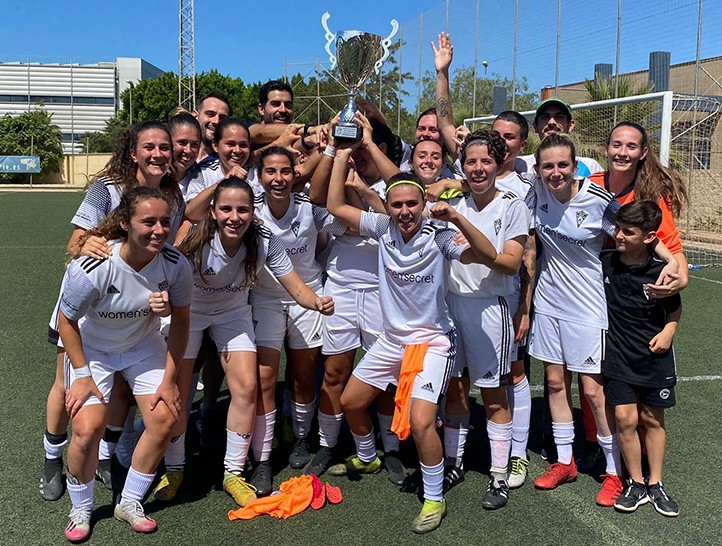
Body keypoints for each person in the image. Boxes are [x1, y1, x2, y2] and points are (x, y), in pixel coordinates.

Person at [327, 140, 510, 533]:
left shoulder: (438, 235)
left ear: (423, 205)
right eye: (397, 205)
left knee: (422, 421)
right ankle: (367, 456)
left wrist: (458, 221)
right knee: (351, 402)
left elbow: (486, 254)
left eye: (413, 204)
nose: (405, 211)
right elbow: (335, 208)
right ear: (387, 207)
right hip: (392, 339)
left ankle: (433, 499)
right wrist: (341, 152)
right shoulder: (381, 227)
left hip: (433, 343)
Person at [157, 176, 332, 506]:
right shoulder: (194, 242)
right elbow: (163, 277)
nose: (234, 217)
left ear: (254, 213)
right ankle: (176, 467)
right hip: (189, 314)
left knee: (248, 387)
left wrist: (317, 302)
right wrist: (160, 301)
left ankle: (233, 473)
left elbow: (294, 286)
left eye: (242, 210)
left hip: (232, 315)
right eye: (226, 209)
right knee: (178, 389)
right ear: (212, 212)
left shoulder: (263, 239)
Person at [527, 134, 677, 507]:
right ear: (539, 169)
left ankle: (614, 472)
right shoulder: (535, 193)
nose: (556, 172)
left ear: (575, 165)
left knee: (594, 391)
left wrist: (672, 259)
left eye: (563, 165)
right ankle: (565, 462)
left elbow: (632, 229)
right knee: (555, 382)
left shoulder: (598, 201)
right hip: (548, 302)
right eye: (548, 166)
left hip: (587, 305)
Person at [41, 121, 182, 501]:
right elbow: (75, 241)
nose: (158, 154)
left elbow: (166, 249)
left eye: (164, 148)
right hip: (87, 301)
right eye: (149, 147)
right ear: (133, 152)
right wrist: (87, 246)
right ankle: (52, 458)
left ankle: (103, 456)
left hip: (134, 307)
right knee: (64, 384)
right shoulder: (107, 187)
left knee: (122, 382)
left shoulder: (173, 193)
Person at [58, 187, 192, 542]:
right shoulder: (94, 266)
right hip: (94, 351)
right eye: (148, 222)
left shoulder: (176, 265)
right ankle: (81, 508)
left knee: (165, 417)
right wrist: (83, 375)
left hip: (141, 346)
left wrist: (169, 377)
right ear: (124, 224)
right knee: (88, 429)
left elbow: (181, 322)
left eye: (165, 222)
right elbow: (66, 321)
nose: (159, 230)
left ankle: (129, 501)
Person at [304, 113, 405, 484]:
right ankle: (330, 444)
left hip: (384, 294)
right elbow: (318, 201)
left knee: (386, 376)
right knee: (335, 371)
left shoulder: (390, 183)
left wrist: (364, 185)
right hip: (342, 289)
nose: (357, 156)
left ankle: (390, 447)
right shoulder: (336, 178)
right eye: (353, 151)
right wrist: (340, 150)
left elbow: (397, 207)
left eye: (363, 150)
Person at [440, 131, 529, 511]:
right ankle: (453, 462)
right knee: (456, 390)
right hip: (450, 306)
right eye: (471, 162)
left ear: (498, 164)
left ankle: (498, 475)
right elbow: (452, 250)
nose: (478, 168)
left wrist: (465, 229)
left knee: (493, 393)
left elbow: (508, 263)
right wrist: (482, 252)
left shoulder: (512, 206)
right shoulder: (450, 200)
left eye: (485, 161)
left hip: (490, 309)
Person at [249, 146, 343, 495]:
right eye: (270, 172)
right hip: (264, 299)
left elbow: (345, 223)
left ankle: (301, 438)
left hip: (310, 300)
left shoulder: (309, 209)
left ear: (295, 174)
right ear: (259, 177)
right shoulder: (250, 212)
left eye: (285, 171)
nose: (279, 179)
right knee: (265, 378)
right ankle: (263, 457)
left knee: (304, 376)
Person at [599, 200, 682, 516]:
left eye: (627, 232)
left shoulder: (661, 272)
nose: (618, 236)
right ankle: (634, 482)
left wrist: (669, 331)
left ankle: (655, 483)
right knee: (625, 418)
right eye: (618, 229)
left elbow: (674, 308)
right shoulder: (606, 262)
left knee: (651, 418)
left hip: (653, 357)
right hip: (618, 355)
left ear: (649, 238)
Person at [591, 121, 689, 293]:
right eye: (616, 145)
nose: (622, 153)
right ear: (606, 149)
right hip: (591, 275)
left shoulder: (653, 193)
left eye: (631, 147)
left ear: (643, 153)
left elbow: (670, 242)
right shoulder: (590, 185)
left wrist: (682, 277)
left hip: (628, 278)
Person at [520, 97, 603, 178]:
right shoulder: (521, 165)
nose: (551, 122)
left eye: (559, 117)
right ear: (535, 126)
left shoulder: (590, 167)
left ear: (570, 125)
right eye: (545, 117)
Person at [193, 92, 231, 162]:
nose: (216, 121)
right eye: (210, 114)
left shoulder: (228, 162)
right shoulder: (177, 158)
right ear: (196, 116)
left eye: (222, 118)